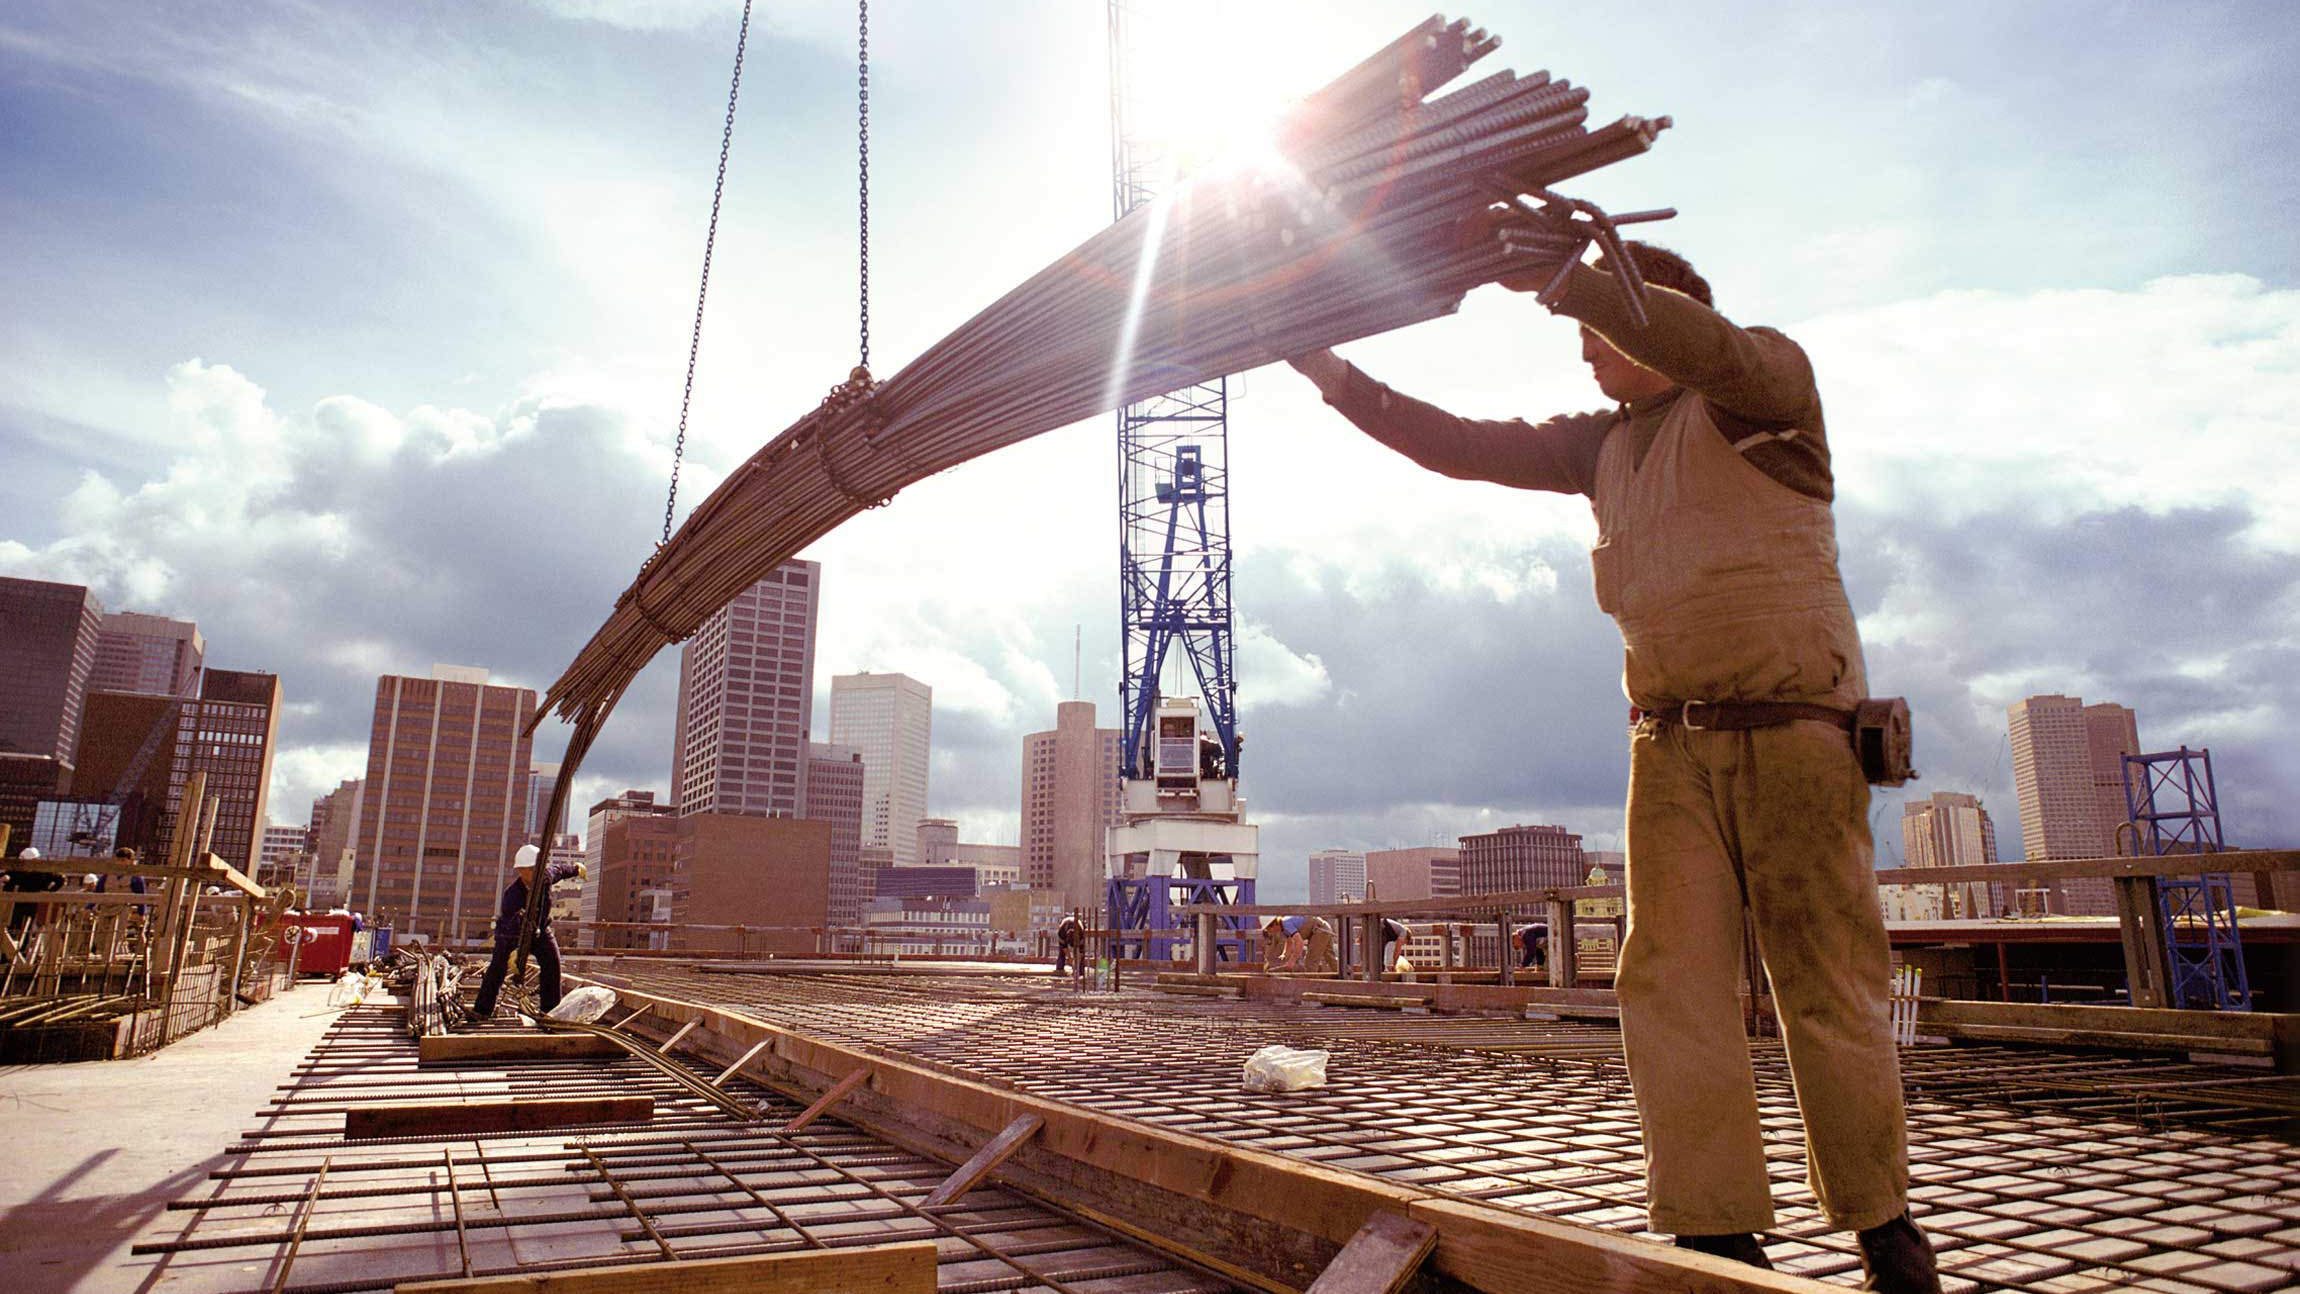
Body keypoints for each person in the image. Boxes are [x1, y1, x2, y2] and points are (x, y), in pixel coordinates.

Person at [1287, 239, 1937, 1292]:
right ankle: (1715, 1227)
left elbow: (1702, 346)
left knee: (1824, 981)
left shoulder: (1760, 389)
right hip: (1667, 746)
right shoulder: (1602, 447)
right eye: (1580, 334)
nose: (1584, 352)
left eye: (1599, 330)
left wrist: (1564, 278)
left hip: (1793, 734)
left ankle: (1883, 1225)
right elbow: (1455, 443)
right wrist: (1332, 375)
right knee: (1666, 983)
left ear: (1655, 314)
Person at [470, 845, 586, 1019]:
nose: (535, 873)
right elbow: (511, 923)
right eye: (531, 870)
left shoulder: (545, 877)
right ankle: (482, 1010)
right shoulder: (512, 895)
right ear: (521, 871)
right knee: (497, 968)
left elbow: (560, 870)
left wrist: (576, 869)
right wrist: (517, 950)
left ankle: (550, 1011)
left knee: (552, 963)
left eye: (537, 869)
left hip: (540, 930)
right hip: (511, 935)